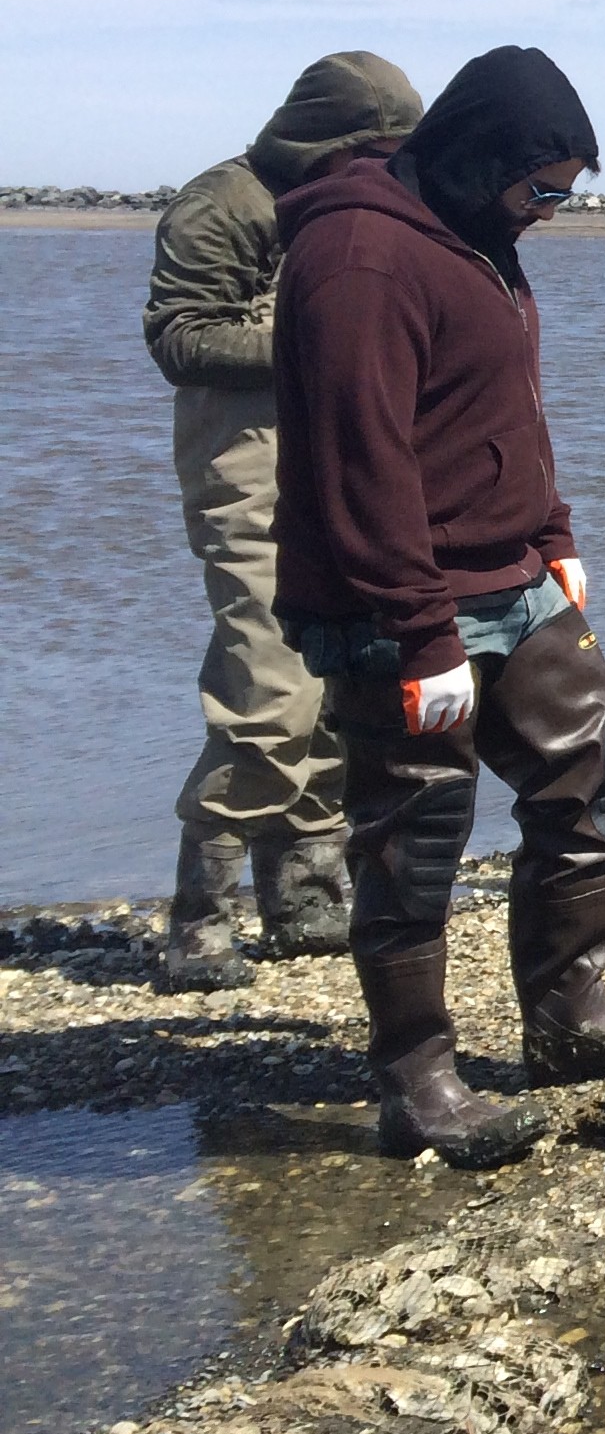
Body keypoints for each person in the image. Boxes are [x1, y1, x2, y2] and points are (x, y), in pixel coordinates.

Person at [272, 46, 605, 1166]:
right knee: (415, 828)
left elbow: (505, 405)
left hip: (512, 576)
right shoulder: (358, 256)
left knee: (591, 764)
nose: (548, 214)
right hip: (398, 599)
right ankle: (418, 1080)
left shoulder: (479, 233)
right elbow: (362, 460)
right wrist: (421, 631)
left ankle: (571, 1014)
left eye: (564, 196)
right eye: (543, 191)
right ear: (484, 157)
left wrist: (554, 535)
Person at [141, 53, 426, 992]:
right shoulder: (223, 203)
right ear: (326, 140)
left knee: (340, 677)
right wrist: (317, 335)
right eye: (377, 150)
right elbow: (180, 337)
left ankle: (305, 897)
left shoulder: (367, 206)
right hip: (246, 463)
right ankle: (200, 916)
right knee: (268, 692)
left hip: (340, 463)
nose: (386, 168)